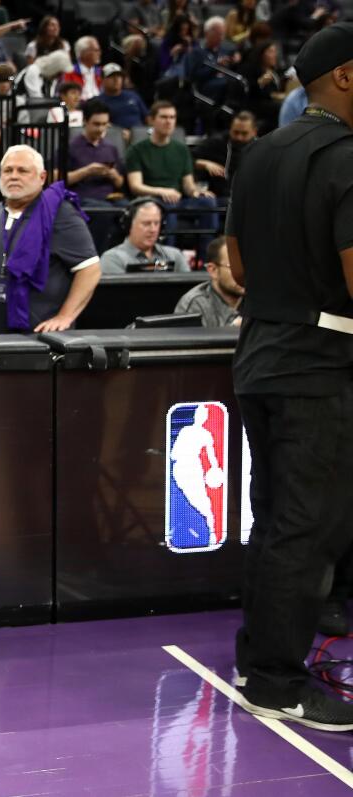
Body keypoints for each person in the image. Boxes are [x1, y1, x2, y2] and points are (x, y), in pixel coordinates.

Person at [224, 22, 353, 732]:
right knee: (309, 527)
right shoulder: (347, 158)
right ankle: (277, 679)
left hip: (260, 356)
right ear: (345, 76)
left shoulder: (260, 153)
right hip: (320, 361)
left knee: (275, 519)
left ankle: (258, 657)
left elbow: (237, 267)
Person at [0, 145, 101, 333]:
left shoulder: (60, 213)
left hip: (41, 338)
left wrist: (65, 316)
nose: (14, 176)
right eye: (8, 170)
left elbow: (90, 269)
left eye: (23, 171)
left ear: (42, 177)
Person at [125, 101, 217, 250]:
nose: (169, 121)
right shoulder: (137, 150)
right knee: (168, 206)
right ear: (151, 120)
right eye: (164, 117)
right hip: (152, 200)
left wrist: (196, 192)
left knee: (209, 203)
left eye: (172, 117)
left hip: (179, 200)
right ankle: (168, 258)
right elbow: (136, 186)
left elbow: (188, 185)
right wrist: (162, 191)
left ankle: (206, 258)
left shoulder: (181, 149)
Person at [67, 99, 127, 250]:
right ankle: (96, 256)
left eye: (104, 124)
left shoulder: (110, 148)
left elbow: (120, 183)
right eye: (96, 124)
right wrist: (87, 171)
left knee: (134, 210)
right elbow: (60, 179)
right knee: (103, 211)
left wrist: (113, 175)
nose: (101, 129)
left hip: (111, 197)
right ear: (85, 121)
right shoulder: (71, 147)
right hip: (83, 198)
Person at [100, 198, 190, 273]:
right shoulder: (112, 259)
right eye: (146, 224)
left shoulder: (175, 256)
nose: (153, 229)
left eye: (156, 223)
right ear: (129, 225)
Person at [174, 236, 241, 325]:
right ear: (213, 270)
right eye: (234, 267)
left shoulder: (257, 298)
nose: (242, 273)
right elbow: (188, 339)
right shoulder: (196, 305)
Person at [192, 110, 256, 201]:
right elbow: (186, 159)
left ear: (254, 132)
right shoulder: (216, 143)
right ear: (230, 128)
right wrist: (204, 163)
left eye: (244, 134)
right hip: (219, 197)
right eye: (236, 132)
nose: (239, 137)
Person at [186, 16, 238, 104]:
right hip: (207, 88)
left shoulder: (226, 49)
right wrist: (216, 66)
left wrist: (236, 59)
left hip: (226, 84)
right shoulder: (197, 52)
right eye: (218, 34)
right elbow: (194, 76)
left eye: (222, 34)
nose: (221, 38)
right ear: (207, 33)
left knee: (238, 84)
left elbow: (232, 66)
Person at [98, 62, 149, 138]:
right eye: (112, 76)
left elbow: (147, 117)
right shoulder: (99, 101)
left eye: (119, 76)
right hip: (116, 137)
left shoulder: (133, 95)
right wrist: (118, 132)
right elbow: (101, 123)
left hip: (140, 134)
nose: (116, 79)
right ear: (102, 80)